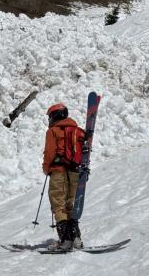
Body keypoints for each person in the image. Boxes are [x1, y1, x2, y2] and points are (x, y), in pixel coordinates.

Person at [43, 102, 84, 250]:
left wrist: (46, 169)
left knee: (58, 205)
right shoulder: (77, 131)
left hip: (58, 171)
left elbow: (49, 153)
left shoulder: (53, 132)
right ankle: (76, 238)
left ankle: (66, 241)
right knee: (70, 204)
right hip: (74, 171)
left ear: (54, 116)